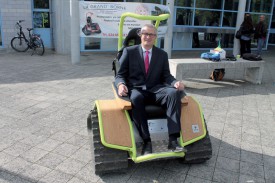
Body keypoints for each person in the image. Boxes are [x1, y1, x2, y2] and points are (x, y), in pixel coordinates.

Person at [115, 24, 187, 155]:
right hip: (137, 89)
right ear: (140, 35)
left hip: (156, 89)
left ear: (155, 37)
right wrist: (120, 85)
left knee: (173, 93)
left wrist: (175, 82)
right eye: (145, 34)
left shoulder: (162, 54)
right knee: (136, 98)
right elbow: (120, 75)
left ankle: (173, 140)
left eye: (151, 34)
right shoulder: (129, 52)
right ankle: (146, 142)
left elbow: (166, 75)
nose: (148, 37)